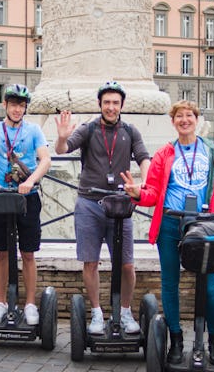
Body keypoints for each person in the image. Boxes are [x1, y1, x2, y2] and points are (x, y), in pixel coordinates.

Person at [122, 100, 214, 365]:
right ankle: (176, 339)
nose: (184, 120)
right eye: (179, 116)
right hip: (170, 222)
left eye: (189, 115)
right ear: (173, 121)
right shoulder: (164, 153)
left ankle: (213, 340)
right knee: (170, 284)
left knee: (209, 285)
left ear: (197, 119)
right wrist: (137, 194)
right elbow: (153, 192)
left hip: (203, 225)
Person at [55, 81, 151, 336]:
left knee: (127, 264)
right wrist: (62, 137)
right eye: (106, 102)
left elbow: (143, 158)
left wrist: (146, 183)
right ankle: (97, 312)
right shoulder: (88, 129)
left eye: (115, 103)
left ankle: (125, 311)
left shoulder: (130, 131)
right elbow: (62, 149)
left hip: (121, 204)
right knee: (91, 262)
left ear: (121, 106)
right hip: (89, 203)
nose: (111, 107)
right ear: (100, 105)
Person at [0, 84, 52, 325]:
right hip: (1, 198)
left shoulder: (34, 130)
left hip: (27, 198)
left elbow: (45, 159)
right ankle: (1, 302)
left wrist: (31, 181)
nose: (17, 109)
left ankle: (29, 304)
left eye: (21, 105)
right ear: (4, 105)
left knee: (28, 253)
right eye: (13, 104)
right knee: (1, 253)